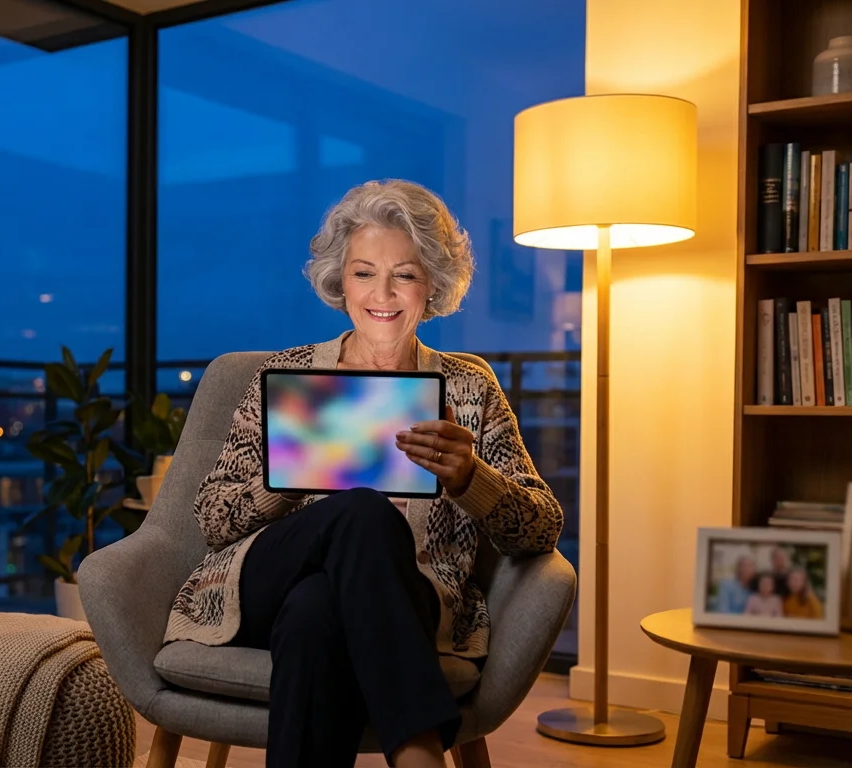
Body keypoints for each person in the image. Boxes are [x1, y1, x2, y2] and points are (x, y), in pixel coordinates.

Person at [162, 180, 564, 768]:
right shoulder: (288, 378)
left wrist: (469, 476)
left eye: (404, 274)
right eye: (362, 273)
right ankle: (419, 749)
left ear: (431, 285)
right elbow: (213, 517)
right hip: (261, 584)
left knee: (316, 614)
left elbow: (542, 529)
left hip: (408, 597)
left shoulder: (469, 391)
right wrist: (287, 479)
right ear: (339, 281)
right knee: (360, 510)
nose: (383, 293)